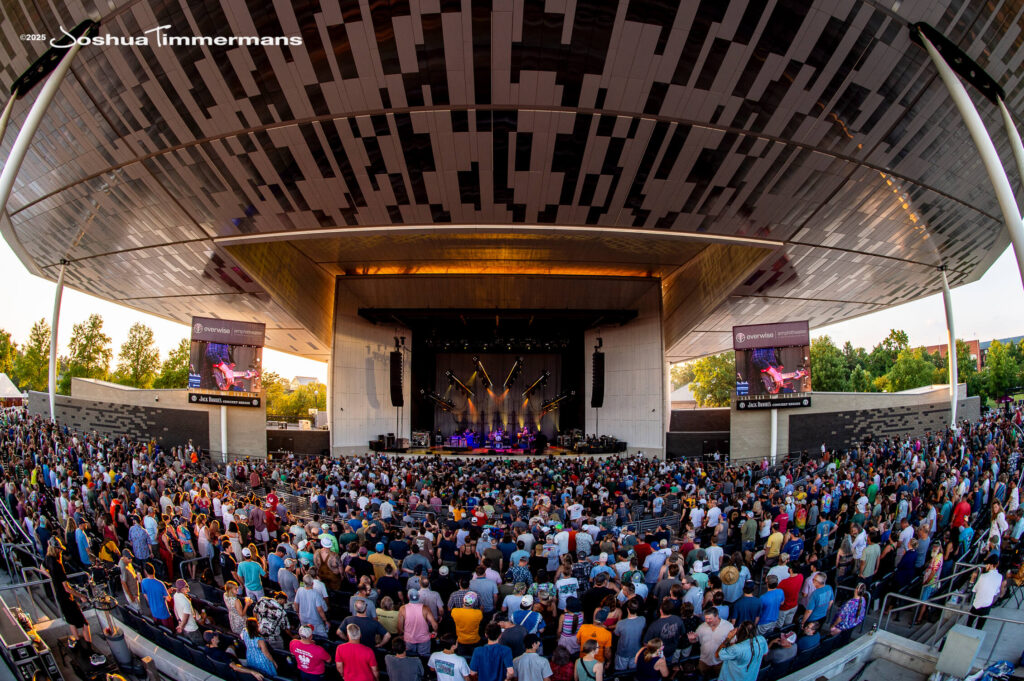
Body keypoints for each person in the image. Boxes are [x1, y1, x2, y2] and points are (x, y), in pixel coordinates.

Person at [45, 538, 92, 646]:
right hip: (67, 598)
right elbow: (66, 588)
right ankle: (89, 649)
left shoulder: (48, 559)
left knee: (71, 622)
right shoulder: (58, 565)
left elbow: (42, 568)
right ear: (56, 549)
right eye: (59, 549)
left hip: (59, 597)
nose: (61, 552)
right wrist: (81, 596)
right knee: (85, 624)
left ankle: (77, 641)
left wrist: (53, 578)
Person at [689, 606, 734, 679]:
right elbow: (696, 640)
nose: (707, 621)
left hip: (720, 662)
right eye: (706, 619)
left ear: (717, 616)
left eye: (710, 619)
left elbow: (733, 643)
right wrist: (692, 640)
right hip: (704, 661)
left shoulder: (728, 626)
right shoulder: (701, 627)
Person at [966, 555, 1004, 628]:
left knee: (969, 624)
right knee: (980, 626)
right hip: (987, 604)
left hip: (977, 604)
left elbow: (974, 589)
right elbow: (996, 592)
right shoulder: (1000, 577)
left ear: (990, 565)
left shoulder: (983, 576)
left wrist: (972, 580)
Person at [398, 589, 438, 657]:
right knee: (424, 658)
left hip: (409, 639)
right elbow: (434, 625)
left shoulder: (402, 609)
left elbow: (399, 627)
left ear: (408, 597)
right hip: (424, 640)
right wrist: (434, 632)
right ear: (419, 596)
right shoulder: (425, 608)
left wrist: (404, 634)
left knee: (410, 658)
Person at [613, 597, 646, 670]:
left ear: (627, 609)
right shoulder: (643, 619)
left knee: (620, 672)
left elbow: (617, 634)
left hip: (623, 652)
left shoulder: (621, 623)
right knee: (632, 671)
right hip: (636, 651)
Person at [140, 561, 174, 629]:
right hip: (163, 612)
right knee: (169, 630)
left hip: (154, 611)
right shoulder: (160, 584)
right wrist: (168, 592)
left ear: (145, 572)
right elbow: (168, 599)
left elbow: (145, 595)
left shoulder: (143, 582)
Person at [172, 579, 202, 645]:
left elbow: (175, 609)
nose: (188, 586)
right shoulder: (186, 602)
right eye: (186, 586)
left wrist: (179, 621)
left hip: (185, 629)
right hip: (192, 629)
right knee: (199, 645)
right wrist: (181, 627)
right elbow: (186, 616)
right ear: (182, 588)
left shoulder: (176, 595)